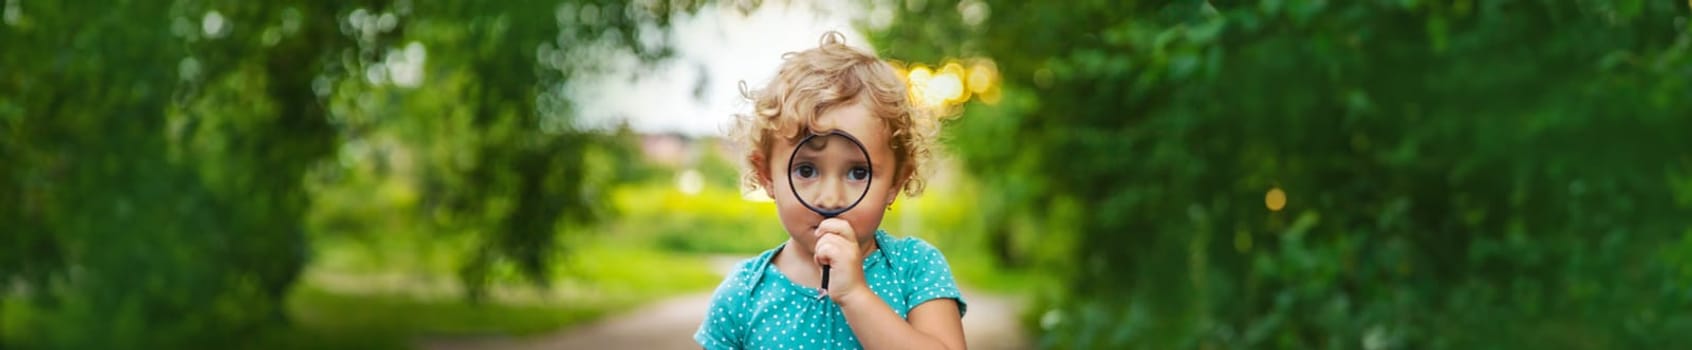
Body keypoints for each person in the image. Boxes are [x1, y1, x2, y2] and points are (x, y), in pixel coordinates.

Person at [694, 31, 967, 349]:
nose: (830, 198)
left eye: (857, 172)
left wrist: (855, 295)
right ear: (766, 175)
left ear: (895, 182)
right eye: (806, 170)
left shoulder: (915, 268)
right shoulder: (743, 294)